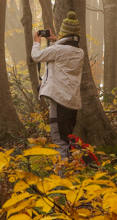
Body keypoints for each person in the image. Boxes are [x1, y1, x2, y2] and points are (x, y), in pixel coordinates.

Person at [30, 11, 85, 160]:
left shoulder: (57, 50)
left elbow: (36, 56)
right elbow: (65, 49)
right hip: (73, 103)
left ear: (63, 33)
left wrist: (37, 42)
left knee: (59, 140)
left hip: (59, 101)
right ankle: (74, 172)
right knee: (68, 139)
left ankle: (61, 179)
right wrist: (56, 39)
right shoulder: (79, 52)